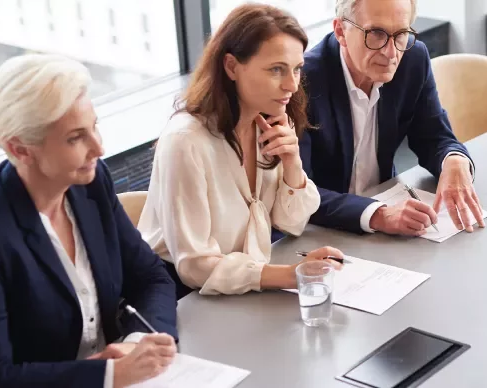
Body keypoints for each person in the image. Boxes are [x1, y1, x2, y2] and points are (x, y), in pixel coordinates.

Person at [0, 54, 179, 388]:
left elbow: (150, 277)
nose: (98, 148)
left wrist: (134, 346)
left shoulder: (89, 183)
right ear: (20, 149)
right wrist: (110, 375)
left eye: (94, 127)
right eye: (75, 138)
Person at [137, 4, 343, 296]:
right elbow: (194, 266)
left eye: (296, 69)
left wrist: (292, 163)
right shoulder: (186, 141)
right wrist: (291, 275)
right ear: (232, 66)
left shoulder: (268, 121)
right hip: (183, 298)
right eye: (276, 70)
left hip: (243, 287)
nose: (291, 85)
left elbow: (292, 223)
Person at [300, 0, 486, 236]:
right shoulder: (302, 82)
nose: (391, 53)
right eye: (376, 34)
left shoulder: (413, 59)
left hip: (387, 221)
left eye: (401, 34)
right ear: (340, 31)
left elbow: (434, 136)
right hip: (320, 233)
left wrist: (454, 159)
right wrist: (378, 214)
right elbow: (299, 193)